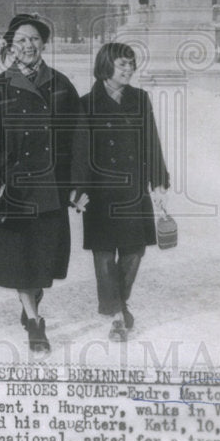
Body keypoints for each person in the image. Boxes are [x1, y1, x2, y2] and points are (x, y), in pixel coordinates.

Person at [0, 14, 79, 355]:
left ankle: (31, 300)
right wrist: (5, 168)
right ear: (10, 47)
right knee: (20, 261)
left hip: (52, 187)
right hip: (16, 188)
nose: (28, 46)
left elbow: (79, 137)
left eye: (34, 39)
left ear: (44, 44)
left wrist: (77, 182)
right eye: (20, 40)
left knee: (45, 261)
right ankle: (35, 323)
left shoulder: (61, 84)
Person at [72, 42, 170, 342]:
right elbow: (79, 151)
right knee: (104, 256)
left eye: (131, 64)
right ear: (106, 66)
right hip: (100, 193)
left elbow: (151, 141)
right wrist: (78, 191)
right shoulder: (86, 103)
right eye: (122, 64)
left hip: (133, 189)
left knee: (134, 251)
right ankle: (116, 315)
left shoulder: (140, 99)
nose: (129, 69)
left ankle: (119, 302)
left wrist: (158, 181)